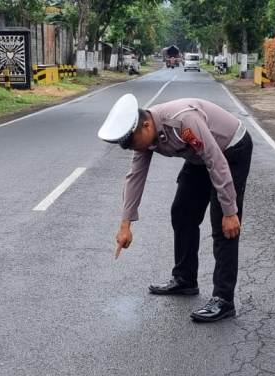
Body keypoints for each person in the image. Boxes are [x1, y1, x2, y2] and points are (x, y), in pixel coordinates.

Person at [97, 94, 253, 323]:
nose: (133, 148)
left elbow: (215, 160)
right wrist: (125, 225)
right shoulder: (144, 135)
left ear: (147, 125)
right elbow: (135, 177)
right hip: (199, 156)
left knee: (225, 226)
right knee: (182, 213)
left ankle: (224, 300)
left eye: (132, 143)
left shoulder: (183, 122)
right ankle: (185, 279)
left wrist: (230, 211)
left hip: (230, 150)